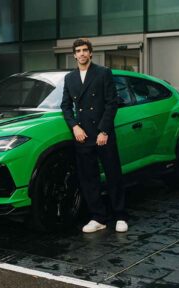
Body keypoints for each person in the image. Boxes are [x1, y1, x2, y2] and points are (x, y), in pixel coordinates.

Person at [60, 38, 128, 233]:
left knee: (113, 174)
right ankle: (98, 217)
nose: (81, 54)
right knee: (89, 178)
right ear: (74, 55)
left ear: (90, 53)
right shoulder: (70, 78)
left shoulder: (103, 73)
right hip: (82, 135)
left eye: (85, 50)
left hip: (102, 134)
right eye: (78, 51)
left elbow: (111, 103)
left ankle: (120, 215)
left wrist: (104, 130)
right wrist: (74, 126)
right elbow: (65, 106)